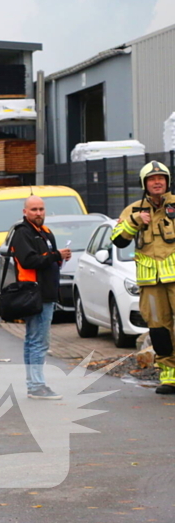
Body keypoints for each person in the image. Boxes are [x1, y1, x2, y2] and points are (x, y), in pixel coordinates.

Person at [111, 161, 175, 395]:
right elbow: (118, 240)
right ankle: (169, 376)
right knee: (159, 330)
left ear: (167, 182)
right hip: (151, 284)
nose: (157, 182)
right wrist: (134, 222)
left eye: (161, 178)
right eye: (151, 178)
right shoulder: (133, 210)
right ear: (144, 184)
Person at [10, 195, 71, 400]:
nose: (38, 213)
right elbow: (28, 261)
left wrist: (59, 259)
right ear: (25, 212)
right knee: (38, 341)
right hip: (34, 293)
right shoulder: (23, 233)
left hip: (44, 293)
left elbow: (46, 260)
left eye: (41, 209)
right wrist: (56, 256)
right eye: (34, 209)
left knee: (33, 340)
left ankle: (34, 383)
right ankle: (36, 385)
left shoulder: (44, 233)